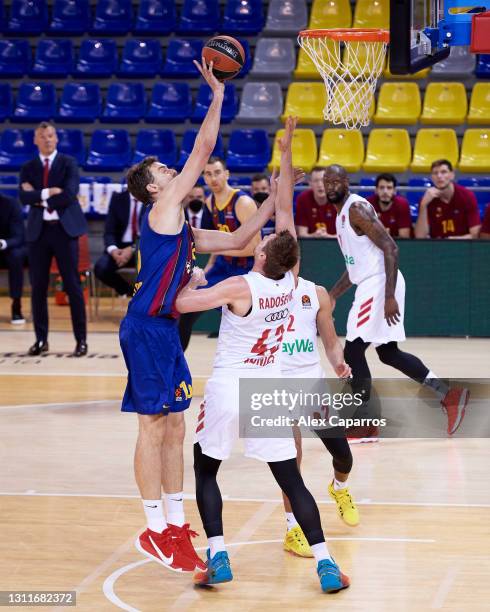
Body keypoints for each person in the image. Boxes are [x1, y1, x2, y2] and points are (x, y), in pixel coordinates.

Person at [176, 117, 350, 594]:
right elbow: (287, 219)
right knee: (292, 480)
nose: (269, 235)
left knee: (206, 470)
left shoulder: (237, 286)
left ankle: (219, 556)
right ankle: (326, 563)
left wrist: (189, 281)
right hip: (268, 390)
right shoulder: (294, 286)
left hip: (230, 387)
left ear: (259, 256)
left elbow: (182, 305)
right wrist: (287, 154)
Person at [120, 58, 280, 574]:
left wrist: (275, 200)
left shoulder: (184, 229)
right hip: (144, 328)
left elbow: (237, 240)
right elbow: (203, 149)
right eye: (164, 171)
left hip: (165, 332)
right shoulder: (163, 210)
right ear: (152, 189)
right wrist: (216, 94)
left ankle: (173, 522)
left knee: (175, 426)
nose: (173, 171)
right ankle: (152, 529)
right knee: (152, 425)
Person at [325, 164, 469, 440]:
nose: (330, 186)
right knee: (388, 352)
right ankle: (449, 396)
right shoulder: (342, 217)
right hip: (372, 281)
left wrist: (389, 295)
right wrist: (333, 294)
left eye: (335, 180)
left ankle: (365, 422)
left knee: (353, 351)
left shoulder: (357, 209)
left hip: (381, 283)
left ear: (346, 181)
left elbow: (391, 247)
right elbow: (356, 268)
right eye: (325, 182)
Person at [280, 276, 358, 559]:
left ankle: (340, 487)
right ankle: (293, 529)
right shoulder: (256, 289)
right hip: (277, 386)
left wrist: (338, 362)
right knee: (290, 461)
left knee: (344, 455)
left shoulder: (315, 292)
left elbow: (331, 342)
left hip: (312, 386)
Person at [19, 121, 88, 357]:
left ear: (56, 138)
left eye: (50, 135)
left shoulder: (68, 163)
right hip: (39, 233)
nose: (47, 139)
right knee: (38, 288)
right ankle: (41, 340)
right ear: (35, 140)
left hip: (64, 230)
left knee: (72, 285)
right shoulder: (28, 167)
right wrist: (49, 193)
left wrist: (37, 196)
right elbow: (22, 197)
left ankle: (81, 340)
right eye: (42, 136)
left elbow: (69, 194)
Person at [178, 157, 260, 351]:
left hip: (246, 269)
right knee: (186, 310)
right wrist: (208, 269)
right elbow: (214, 241)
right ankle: (174, 363)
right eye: (208, 174)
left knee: (244, 323)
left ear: (227, 174)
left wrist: (221, 249)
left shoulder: (244, 203)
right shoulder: (209, 202)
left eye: (217, 172)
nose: (213, 178)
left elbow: (255, 247)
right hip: (223, 266)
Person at [94, 189, 143, 297]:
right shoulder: (118, 198)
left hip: (143, 247)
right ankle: (129, 291)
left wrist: (133, 248)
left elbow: (152, 232)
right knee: (101, 268)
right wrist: (113, 250)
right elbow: (109, 231)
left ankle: (145, 298)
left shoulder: (151, 200)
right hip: (119, 247)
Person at [414, 159, 481, 239]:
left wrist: (452, 240)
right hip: (437, 247)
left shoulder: (467, 196)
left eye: (443, 172)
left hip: (463, 246)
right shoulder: (426, 199)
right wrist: (423, 205)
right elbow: (420, 237)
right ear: (432, 177)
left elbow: (475, 234)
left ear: (452, 175)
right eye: (435, 173)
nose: (439, 176)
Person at [0, 192, 26, 324]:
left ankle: (16, 305)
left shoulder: (11, 204)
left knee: (16, 255)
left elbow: (19, 236)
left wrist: (3, 243)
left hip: (7, 248)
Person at [295, 166, 336, 238]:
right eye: (316, 181)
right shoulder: (303, 199)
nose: (320, 185)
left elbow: (344, 235)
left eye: (323, 180)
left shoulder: (338, 199)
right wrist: (314, 235)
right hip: (311, 245)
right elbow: (302, 234)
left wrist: (327, 236)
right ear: (310, 183)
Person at [366, 173, 412, 238]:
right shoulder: (368, 204)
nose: (385, 191)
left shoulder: (402, 204)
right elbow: (363, 233)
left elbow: (404, 236)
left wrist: (385, 236)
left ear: (394, 191)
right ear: (376, 190)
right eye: (381, 188)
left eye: (389, 188)